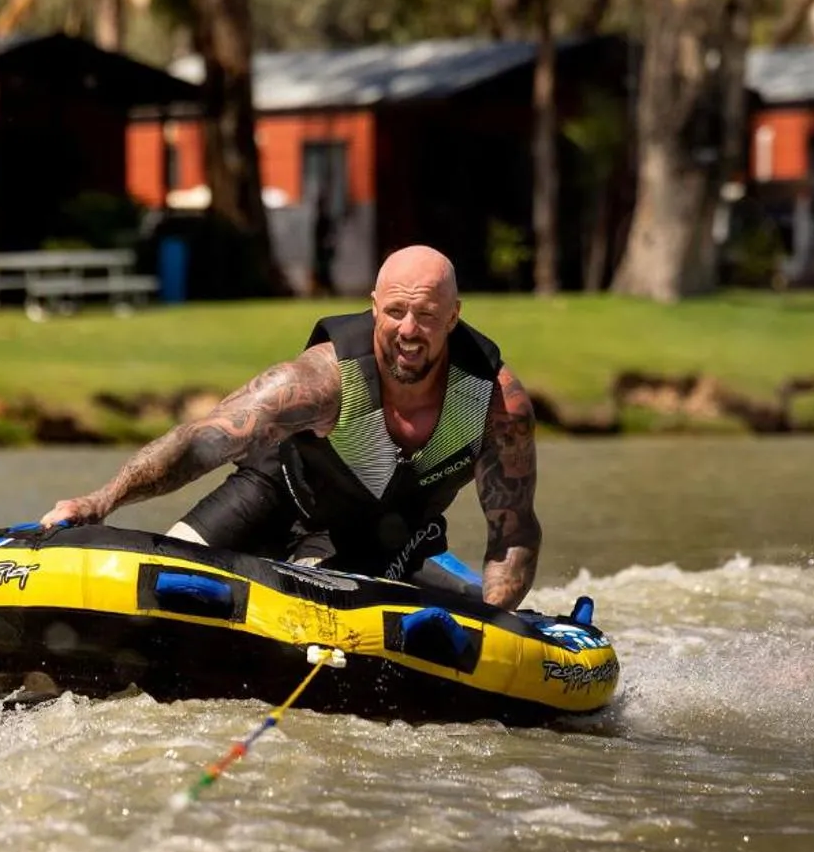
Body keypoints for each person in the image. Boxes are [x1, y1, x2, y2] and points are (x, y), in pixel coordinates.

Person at [36, 245, 542, 609]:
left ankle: (432, 584)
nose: (409, 331)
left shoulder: (494, 404)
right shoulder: (321, 380)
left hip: (378, 535)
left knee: (319, 607)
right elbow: (203, 442)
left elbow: (512, 528)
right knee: (163, 585)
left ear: (453, 316)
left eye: (427, 315)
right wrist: (102, 501)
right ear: (373, 308)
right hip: (273, 491)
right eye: (395, 312)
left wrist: (497, 618)